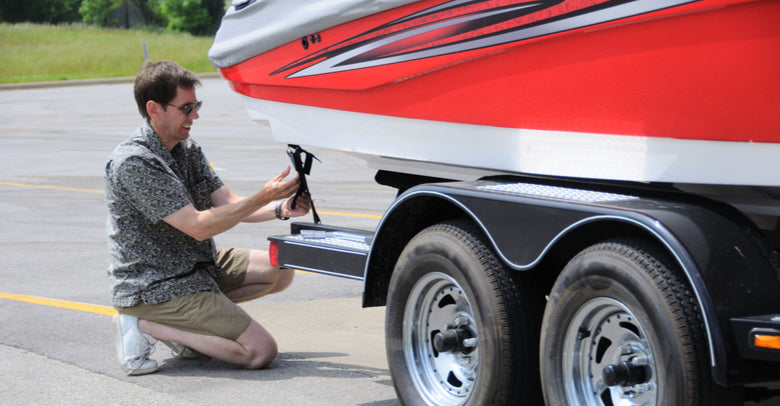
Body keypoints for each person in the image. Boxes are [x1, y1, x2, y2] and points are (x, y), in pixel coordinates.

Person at [104, 60, 310, 375]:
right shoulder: (135, 162)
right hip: (156, 282)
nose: (195, 115)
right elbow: (198, 227)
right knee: (259, 351)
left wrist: (280, 208)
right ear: (154, 109)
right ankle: (146, 324)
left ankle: (195, 330)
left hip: (195, 266)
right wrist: (264, 196)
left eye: (196, 105)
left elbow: (228, 202)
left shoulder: (186, 149)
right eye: (186, 108)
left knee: (279, 267)